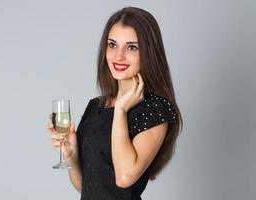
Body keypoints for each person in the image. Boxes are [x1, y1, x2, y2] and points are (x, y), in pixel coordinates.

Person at [47, 6, 183, 200]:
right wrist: (71, 153)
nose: (118, 56)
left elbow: (124, 178)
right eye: (112, 45)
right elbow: (85, 187)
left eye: (131, 47)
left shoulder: (155, 109)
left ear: (149, 53)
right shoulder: (97, 106)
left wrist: (120, 110)